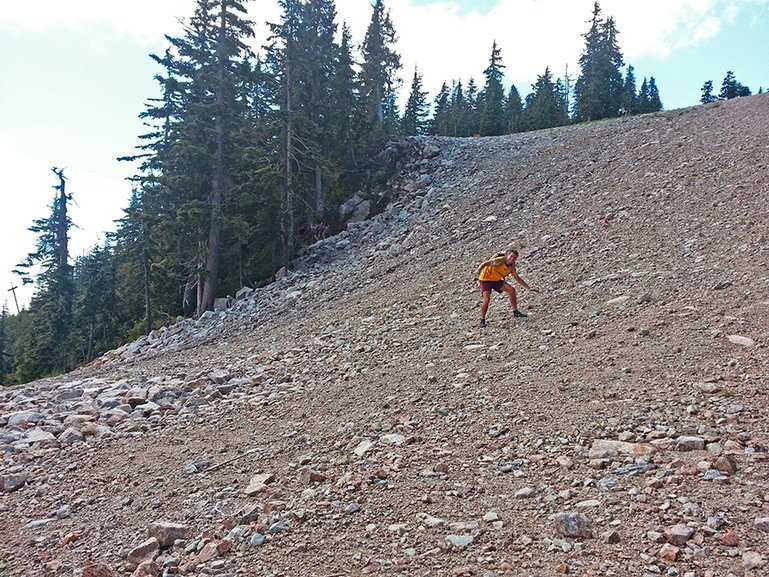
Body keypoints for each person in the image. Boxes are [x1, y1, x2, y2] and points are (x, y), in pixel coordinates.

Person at [474, 248, 539, 328]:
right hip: (485, 279)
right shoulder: (499, 261)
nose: (512, 259)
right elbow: (486, 263)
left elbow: (517, 278)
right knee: (486, 299)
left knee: (511, 290)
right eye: (511, 256)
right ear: (507, 255)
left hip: (496, 280)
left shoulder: (511, 267)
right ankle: (482, 320)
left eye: (514, 258)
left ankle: (515, 312)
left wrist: (528, 288)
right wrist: (479, 270)